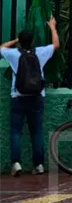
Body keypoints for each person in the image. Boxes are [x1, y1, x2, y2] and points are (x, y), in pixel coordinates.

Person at [1, 18, 59, 176]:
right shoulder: (40, 52)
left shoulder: (13, 54)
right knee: (36, 131)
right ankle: (39, 164)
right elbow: (56, 45)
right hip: (37, 96)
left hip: (18, 96)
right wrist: (52, 27)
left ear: (20, 42)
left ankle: (16, 163)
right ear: (33, 41)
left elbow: (1, 48)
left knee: (15, 130)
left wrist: (15, 41)